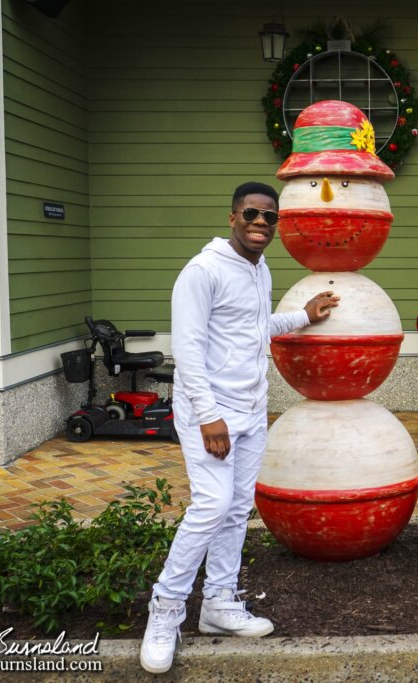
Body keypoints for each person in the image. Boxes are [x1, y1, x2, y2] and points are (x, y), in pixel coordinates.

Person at [140, 181, 339, 674]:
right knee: (211, 505)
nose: (260, 223)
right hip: (212, 411)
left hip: (252, 409)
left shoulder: (258, 267)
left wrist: (302, 317)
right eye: (252, 214)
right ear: (232, 216)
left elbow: (253, 327)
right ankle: (164, 612)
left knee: (236, 509)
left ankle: (219, 605)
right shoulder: (202, 271)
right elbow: (186, 351)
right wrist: (209, 416)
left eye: (270, 217)